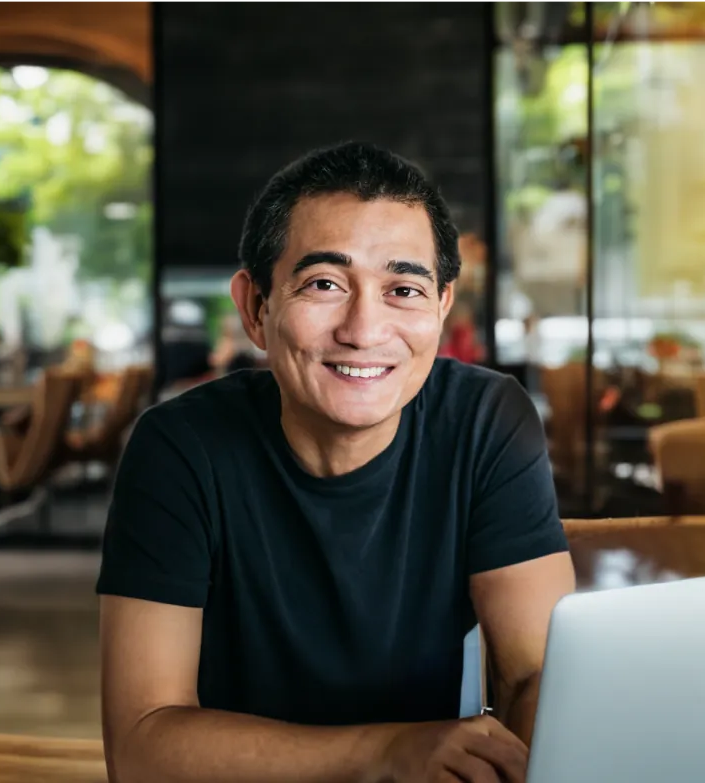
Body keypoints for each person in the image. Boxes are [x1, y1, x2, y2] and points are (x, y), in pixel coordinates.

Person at [97, 142, 576, 783]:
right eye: (324, 283)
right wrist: (390, 753)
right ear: (257, 308)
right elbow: (141, 745)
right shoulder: (180, 448)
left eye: (403, 289)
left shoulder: (486, 421)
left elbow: (537, 673)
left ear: (441, 308)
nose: (364, 328)